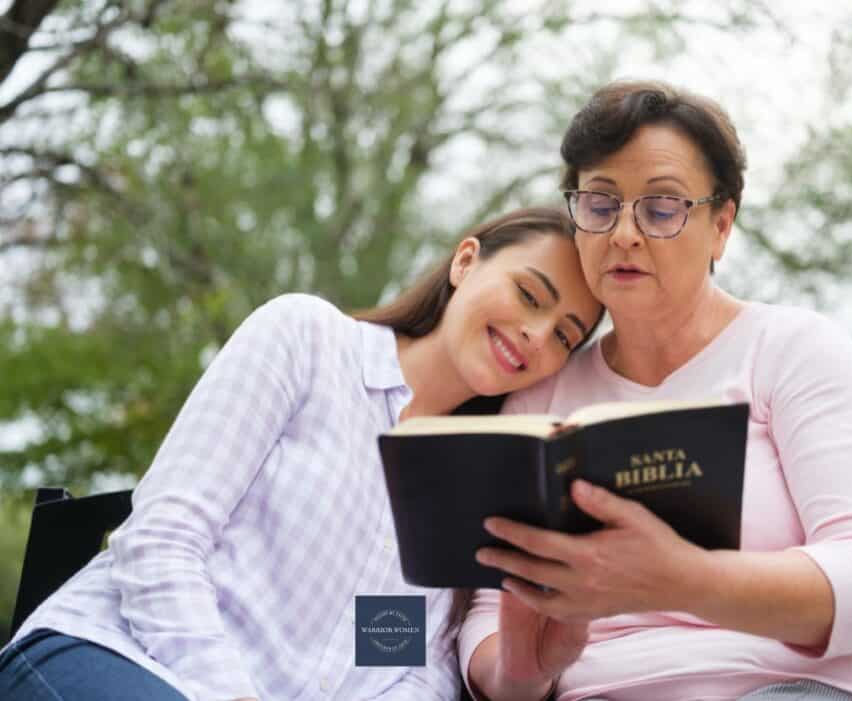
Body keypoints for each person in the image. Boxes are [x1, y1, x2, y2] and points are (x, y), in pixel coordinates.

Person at [0, 207, 604, 701]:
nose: (535, 333)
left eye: (563, 335)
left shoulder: (475, 488)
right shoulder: (308, 341)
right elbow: (161, 539)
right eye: (529, 295)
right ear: (465, 262)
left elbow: (405, 660)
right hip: (115, 655)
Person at [459, 83, 852, 701]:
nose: (624, 234)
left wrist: (684, 579)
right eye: (601, 206)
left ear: (721, 226)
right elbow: (487, 609)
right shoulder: (542, 399)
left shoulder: (793, 350)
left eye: (661, 209)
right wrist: (521, 673)